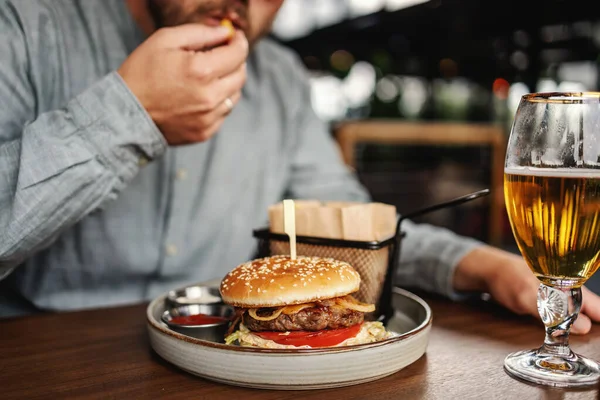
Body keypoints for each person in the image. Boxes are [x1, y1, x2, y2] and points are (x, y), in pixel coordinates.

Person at [0, 0, 598, 334]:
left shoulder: (280, 78)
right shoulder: (27, 25)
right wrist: (129, 115)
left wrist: (477, 264)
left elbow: (348, 228)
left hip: (230, 358)